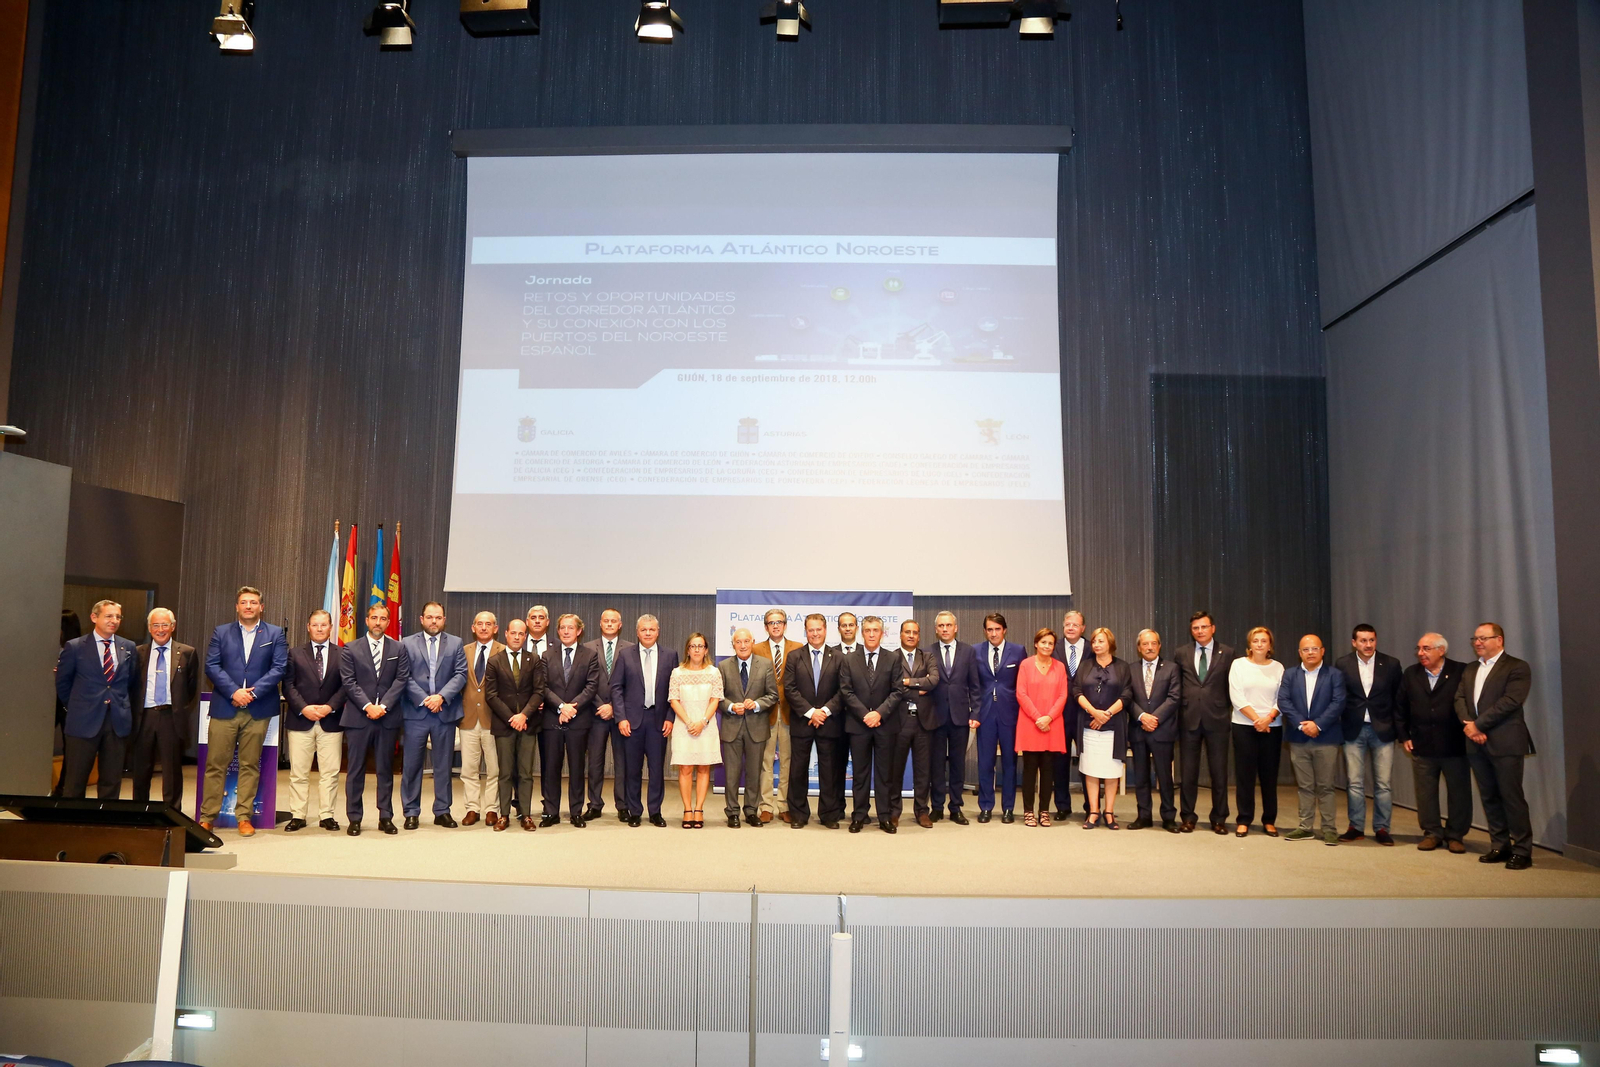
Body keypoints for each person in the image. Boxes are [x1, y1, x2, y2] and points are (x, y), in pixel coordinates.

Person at [201, 586, 288, 835]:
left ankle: (244, 817)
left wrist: (252, 692)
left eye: (253, 602)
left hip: (258, 708)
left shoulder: (274, 633)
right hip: (225, 706)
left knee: (250, 765)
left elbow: (279, 667)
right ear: (237, 607)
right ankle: (208, 817)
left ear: (262, 606)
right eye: (243, 602)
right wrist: (234, 692)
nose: (248, 606)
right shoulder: (221, 632)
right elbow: (212, 666)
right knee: (216, 764)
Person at [1455, 622, 1535, 869]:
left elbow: (1511, 701)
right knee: (1489, 796)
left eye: (1483, 638)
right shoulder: (1470, 669)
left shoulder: (1517, 667)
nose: (1477, 643)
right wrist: (1469, 725)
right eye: (1475, 639)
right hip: (1475, 743)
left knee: (1511, 796)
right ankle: (1500, 845)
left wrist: (1478, 725)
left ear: (1499, 640)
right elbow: (1459, 699)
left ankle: (1522, 850)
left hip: (1505, 742)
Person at [56, 599, 140, 800]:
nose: (114, 621)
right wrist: (78, 706)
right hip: (82, 722)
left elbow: (132, 683)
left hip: (116, 722)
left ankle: (105, 826)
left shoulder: (128, 647)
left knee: (111, 781)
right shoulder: (75, 647)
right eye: (109, 616)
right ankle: (74, 827)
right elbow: (63, 683)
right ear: (94, 617)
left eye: (118, 617)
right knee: (75, 781)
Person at [338, 603, 410, 836]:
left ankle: (385, 816)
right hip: (359, 717)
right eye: (374, 618)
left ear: (388, 622)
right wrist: (369, 706)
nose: (378, 622)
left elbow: (401, 680)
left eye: (382, 618)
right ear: (366, 621)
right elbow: (349, 682)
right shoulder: (350, 648)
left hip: (387, 718)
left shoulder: (399, 648)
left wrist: (383, 706)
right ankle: (355, 818)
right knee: (356, 770)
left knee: (385, 770)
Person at [1396, 633, 1471, 853]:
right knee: (1425, 793)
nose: (1421, 653)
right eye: (1419, 648)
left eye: (1426, 648)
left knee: (1459, 793)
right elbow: (1400, 707)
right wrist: (1404, 736)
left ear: (1441, 650)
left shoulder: (1460, 671)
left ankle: (1456, 835)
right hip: (1422, 744)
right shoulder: (1411, 674)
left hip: (1454, 744)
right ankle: (1432, 833)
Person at [1333, 623, 1403, 845]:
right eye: (1362, 640)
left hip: (1382, 730)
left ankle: (1382, 828)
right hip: (1352, 730)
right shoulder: (1342, 664)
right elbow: (1339, 698)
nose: (1368, 644)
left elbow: (1399, 700)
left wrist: (1400, 729)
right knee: (1354, 782)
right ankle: (1356, 827)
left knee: (1383, 784)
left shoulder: (1391, 664)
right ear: (1354, 642)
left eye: (1371, 640)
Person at [400, 602, 467, 829]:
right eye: (429, 617)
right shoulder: (407, 643)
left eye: (438, 617)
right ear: (422, 619)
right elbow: (404, 676)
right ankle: (411, 811)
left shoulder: (456, 643)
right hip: (415, 712)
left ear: (444, 619)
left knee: (443, 765)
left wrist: (441, 697)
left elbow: (460, 674)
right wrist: (425, 699)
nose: (434, 621)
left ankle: (442, 810)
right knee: (411, 765)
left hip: (444, 712)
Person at [610, 614, 679, 827]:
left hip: (658, 720)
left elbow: (675, 690)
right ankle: (635, 811)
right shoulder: (625, 655)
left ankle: (655, 811)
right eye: (643, 630)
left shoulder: (670, 655)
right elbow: (616, 688)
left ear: (658, 632)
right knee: (633, 769)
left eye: (651, 629)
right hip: (632, 721)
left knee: (657, 769)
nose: (647, 633)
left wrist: (670, 717)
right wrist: (621, 718)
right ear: (637, 632)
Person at [1278, 634, 1346, 844]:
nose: (1310, 653)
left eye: (1314, 649)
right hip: (1299, 738)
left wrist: (1317, 724)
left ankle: (1329, 829)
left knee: (1325, 786)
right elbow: (1284, 701)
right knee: (1305, 786)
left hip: (1326, 738)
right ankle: (1305, 827)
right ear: (1299, 653)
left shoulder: (1335, 674)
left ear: (1322, 651)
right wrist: (1302, 724)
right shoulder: (1290, 675)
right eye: (1306, 650)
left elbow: (1338, 702)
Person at [282, 609, 346, 832]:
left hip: (332, 720)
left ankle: (327, 815)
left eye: (324, 625)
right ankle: (298, 815)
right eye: (315, 625)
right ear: (308, 627)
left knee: (330, 772)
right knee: (299, 772)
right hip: (301, 720)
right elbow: (287, 685)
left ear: (331, 627)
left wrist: (329, 707)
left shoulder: (343, 653)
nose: (319, 629)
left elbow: (346, 686)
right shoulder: (294, 653)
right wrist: (304, 708)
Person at [130, 607, 199, 810]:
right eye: (156, 625)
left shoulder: (187, 652)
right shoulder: (137, 653)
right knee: (141, 770)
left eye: (165, 625)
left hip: (171, 716)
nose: (160, 629)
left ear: (173, 626)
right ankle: (139, 812)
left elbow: (190, 688)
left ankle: (172, 813)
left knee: (171, 771)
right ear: (149, 628)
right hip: (144, 717)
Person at [1175, 611, 1236, 834]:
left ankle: (1219, 818)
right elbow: (1178, 685)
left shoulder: (1228, 652)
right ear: (1191, 631)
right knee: (1188, 773)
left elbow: (1232, 686)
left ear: (1213, 628)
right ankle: (1188, 817)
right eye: (1195, 628)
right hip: (1188, 718)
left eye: (1204, 627)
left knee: (1219, 773)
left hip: (1217, 719)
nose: (1200, 631)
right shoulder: (1181, 653)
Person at [783, 613, 846, 828]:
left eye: (819, 629)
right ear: (805, 631)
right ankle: (799, 815)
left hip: (829, 722)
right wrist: (811, 712)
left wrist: (825, 711)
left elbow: (843, 690)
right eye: (811, 630)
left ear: (826, 630)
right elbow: (789, 689)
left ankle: (829, 815)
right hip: (803, 721)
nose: (815, 633)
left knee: (829, 771)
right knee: (798, 770)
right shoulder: (794, 656)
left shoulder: (838, 657)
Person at [840, 616, 900, 833]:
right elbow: (846, 691)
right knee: (860, 773)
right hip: (859, 724)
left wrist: (879, 714)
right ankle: (859, 815)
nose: (872, 634)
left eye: (875, 630)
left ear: (882, 633)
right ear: (861, 633)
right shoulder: (849, 659)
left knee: (884, 774)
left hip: (885, 725)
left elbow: (897, 691)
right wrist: (866, 714)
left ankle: (884, 816)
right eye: (867, 630)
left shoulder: (893, 658)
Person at [485, 618, 545, 831]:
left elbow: (539, 691)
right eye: (513, 633)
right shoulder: (494, 661)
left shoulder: (534, 660)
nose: (517, 637)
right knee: (505, 772)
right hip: (504, 724)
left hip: (528, 724)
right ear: (506, 634)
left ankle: (526, 815)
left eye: (521, 633)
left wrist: (524, 716)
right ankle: (503, 815)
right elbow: (491, 695)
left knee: (525, 772)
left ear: (525, 636)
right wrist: (512, 717)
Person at [541, 613, 600, 827]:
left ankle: (576, 811)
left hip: (578, 720)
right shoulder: (547, 655)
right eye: (563, 628)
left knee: (577, 768)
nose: (566, 631)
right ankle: (551, 812)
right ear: (558, 631)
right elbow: (543, 687)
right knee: (551, 768)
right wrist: (560, 707)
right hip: (552, 719)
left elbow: (592, 686)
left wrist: (571, 708)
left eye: (570, 628)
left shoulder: (590, 655)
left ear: (579, 631)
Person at [717, 627, 778, 828]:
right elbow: (718, 698)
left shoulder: (766, 665)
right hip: (732, 726)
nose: (742, 645)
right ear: (733, 645)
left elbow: (773, 695)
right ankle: (732, 812)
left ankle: (751, 811)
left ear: (752, 642)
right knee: (732, 774)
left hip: (757, 726)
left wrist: (758, 704)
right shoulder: (724, 666)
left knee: (754, 773)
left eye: (746, 641)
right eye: (738, 642)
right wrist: (732, 706)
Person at [1227, 626, 1283, 837]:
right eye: (1256, 640)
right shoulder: (1238, 665)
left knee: (1269, 776)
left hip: (1272, 727)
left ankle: (1269, 820)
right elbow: (1236, 696)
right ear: (1249, 644)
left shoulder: (1278, 668)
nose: (1259, 644)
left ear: (1270, 645)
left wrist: (1268, 718)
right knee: (1245, 776)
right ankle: (1244, 820)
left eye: (1264, 641)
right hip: (1244, 726)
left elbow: (1282, 698)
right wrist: (1256, 720)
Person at [1075, 627, 1131, 829]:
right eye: (1094, 641)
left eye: (1101, 641)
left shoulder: (1123, 667)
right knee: (1090, 769)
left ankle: (1109, 812)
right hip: (1088, 725)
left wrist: (1106, 714)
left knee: (1111, 770)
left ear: (1110, 643)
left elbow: (1126, 695)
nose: (1097, 645)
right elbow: (1076, 690)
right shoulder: (1085, 666)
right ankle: (1093, 811)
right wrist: (1094, 712)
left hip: (1114, 726)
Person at [1127, 629, 1181, 831]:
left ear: (1159, 646)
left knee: (1165, 776)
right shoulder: (1130, 669)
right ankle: (1144, 815)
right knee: (1140, 776)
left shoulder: (1172, 668)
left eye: (1153, 643)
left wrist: (1154, 718)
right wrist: (1142, 716)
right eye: (1145, 644)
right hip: (1138, 729)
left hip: (1162, 730)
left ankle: (1168, 817)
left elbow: (1174, 697)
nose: (1149, 647)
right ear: (1139, 648)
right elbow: (1127, 698)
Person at [668, 632, 723, 828]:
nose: (697, 649)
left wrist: (702, 722)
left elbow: (715, 699)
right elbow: (674, 700)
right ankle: (687, 809)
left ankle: (699, 809)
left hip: (706, 727)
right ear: (688, 650)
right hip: (684, 726)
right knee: (685, 768)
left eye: (700, 646)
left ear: (706, 649)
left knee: (703, 767)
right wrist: (689, 722)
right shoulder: (678, 673)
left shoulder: (714, 672)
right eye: (693, 646)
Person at [972, 613, 1023, 823]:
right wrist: (973, 712)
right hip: (984, 714)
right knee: (985, 762)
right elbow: (973, 686)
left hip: (1010, 714)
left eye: (997, 629)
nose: (993, 633)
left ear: (1005, 630)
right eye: (990, 629)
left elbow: (1022, 684)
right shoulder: (975, 651)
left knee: (1010, 763)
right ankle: (985, 807)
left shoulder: (1018, 651)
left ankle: (1008, 808)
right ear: (985, 631)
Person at [927, 611, 978, 824]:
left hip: (960, 717)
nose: (945, 629)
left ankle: (955, 807)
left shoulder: (968, 652)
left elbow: (975, 686)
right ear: (936, 629)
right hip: (935, 717)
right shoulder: (927, 652)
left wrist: (975, 712)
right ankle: (937, 807)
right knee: (936, 764)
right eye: (941, 626)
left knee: (958, 764)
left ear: (955, 627)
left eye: (948, 625)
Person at [1016, 628, 1068, 827]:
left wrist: (1049, 717)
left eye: (1050, 643)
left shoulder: (1060, 667)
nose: (1047, 646)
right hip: (1031, 724)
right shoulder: (1026, 665)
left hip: (1052, 725)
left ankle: (1044, 811)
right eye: (1043, 642)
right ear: (1036, 643)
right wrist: (1039, 718)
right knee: (1029, 771)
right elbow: (1021, 694)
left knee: (1048, 771)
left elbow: (1063, 695)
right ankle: (1028, 811)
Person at [583, 608, 632, 822]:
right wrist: (601, 705)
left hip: (621, 714)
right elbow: (583, 681)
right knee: (594, 762)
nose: (610, 624)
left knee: (623, 762)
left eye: (614, 621)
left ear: (620, 625)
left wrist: (614, 706)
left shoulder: (631, 649)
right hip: (595, 713)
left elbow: (633, 684)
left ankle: (623, 805)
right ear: (600, 623)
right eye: (606, 621)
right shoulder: (587, 648)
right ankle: (594, 804)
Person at [890, 620, 940, 829]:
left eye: (915, 633)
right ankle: (893, 811)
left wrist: (907, 682)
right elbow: (891, 685)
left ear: (919, 636)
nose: (911, 635)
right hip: (899, 721)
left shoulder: (927, 656)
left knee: (923, 770)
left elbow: (934, 680)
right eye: (907, 632)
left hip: (924, 722)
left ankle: (922, 811)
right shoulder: (891, 657)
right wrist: (919, 685)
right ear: (900, 634)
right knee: (895, 770)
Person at [754, 609, 802, 823]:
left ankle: (783, 804)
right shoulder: (756, 649)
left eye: (779, 622)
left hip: (791, 713)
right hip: (765, 714)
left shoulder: (798, 648)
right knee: (765, 761)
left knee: (787, 760)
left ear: (785, 625)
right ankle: (765, 805)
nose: (775, 626)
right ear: (765, 626)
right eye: (771, 623)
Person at [459, 611, 504, 827]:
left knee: (494, 768)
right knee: (469, 768)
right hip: (468, 718)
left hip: (494, 719)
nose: (484, 628)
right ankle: (472, 808)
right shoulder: (463, 651)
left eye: (488, 624)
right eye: (480, 624)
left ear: (495, 628)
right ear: (473, 627)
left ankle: (492, 809)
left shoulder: (503, 651)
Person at [1051, 609, 1088, 819]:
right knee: (1059, 762)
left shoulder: (1093, 648)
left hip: (1086, 713)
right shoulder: (1052, 648)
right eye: (1068, 624)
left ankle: (1090, 806)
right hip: (1060, 714)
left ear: (1083, 628)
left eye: (1075, 625)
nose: (1071, 628)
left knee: (1088, 759)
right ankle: (1062, 806)